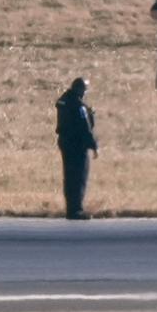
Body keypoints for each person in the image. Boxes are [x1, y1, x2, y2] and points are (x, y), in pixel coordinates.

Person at [53, 79, 98, 220]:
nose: (85, 93)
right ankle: (76, 210)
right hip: (78, 146)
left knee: (69, 177)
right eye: (84, 90)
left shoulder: (64, 101)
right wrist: (93, 146)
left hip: (65, 144)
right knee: (79, 178)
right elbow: (85, 128)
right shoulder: (79, 106)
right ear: (80, 89)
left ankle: (70, 209)